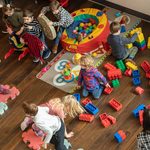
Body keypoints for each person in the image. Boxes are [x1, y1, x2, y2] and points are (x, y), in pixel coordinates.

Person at [21, 95, 85, 138]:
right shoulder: (61, 111)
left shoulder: (57, 100)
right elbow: (62, 125)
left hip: (39, 108)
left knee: (34, 115)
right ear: (68, 106)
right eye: (71, 108)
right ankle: (36, 128)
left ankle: (28, 119)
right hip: (43, 115)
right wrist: (66, 135)